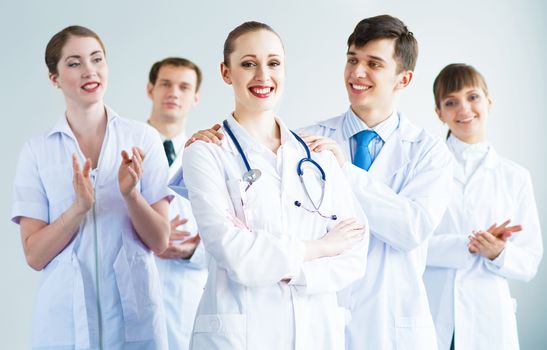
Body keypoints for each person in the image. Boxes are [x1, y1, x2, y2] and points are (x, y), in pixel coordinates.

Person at [189, 15, 453, 350]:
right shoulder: (307, 145)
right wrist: (314, 253)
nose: (357, 73)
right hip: (314, 320)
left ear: (404, 79)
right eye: (352, 60)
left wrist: (346, 172)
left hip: (389, 325)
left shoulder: (428, 152)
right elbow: (246, 240)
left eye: (373, 64)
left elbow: (410, 229)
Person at [178, 21, 369, 350]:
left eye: (273, 63)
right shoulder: (206, 154)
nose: (263, 76)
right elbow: (234, 253)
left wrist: (290, 270)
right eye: (249, 64)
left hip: (315, 332)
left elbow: (354, 254)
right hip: (240, 335)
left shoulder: (318, 158)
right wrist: (318, 248)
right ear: (226, 73)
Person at [11, 25, 172, 349]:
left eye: (97, 59)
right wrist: (78, 209)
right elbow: (34, 254)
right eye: (74, 63)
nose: (89, 71)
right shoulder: (37, 150)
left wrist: (131, 195)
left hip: (133, 320)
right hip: (63, 324)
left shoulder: (142, 139)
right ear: (54, 78)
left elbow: (160, 240)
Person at [423, 63, 543, 350]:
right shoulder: (424, 169)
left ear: (489, 102)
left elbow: (529, 263)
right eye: (451, 102)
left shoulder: (515, 176)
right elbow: (410, 244)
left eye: (473, 97)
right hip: (433, 313)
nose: (464, 108)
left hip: (489, 321)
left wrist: (499, 252)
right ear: (440, 113)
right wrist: (466, 244)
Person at [146, 57, 207, 350]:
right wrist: (150, 231)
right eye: (166, 84)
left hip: (188, 298)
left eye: (184, 87)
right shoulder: (122, 148)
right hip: (136, 289)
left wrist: (193, 250)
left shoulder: (207, 156)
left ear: (195, 97)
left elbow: (233, 239)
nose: (174, 93)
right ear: (150, 89)